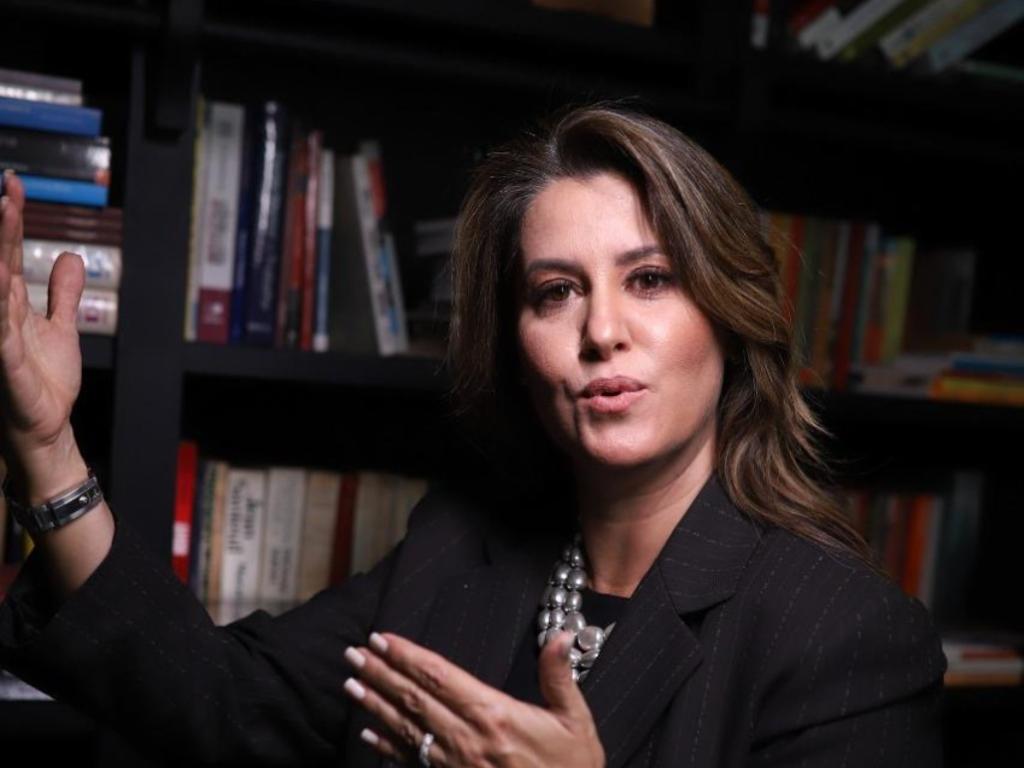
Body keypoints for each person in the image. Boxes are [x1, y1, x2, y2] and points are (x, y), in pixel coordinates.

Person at [0, 104, 947, 767]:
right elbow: (222, 702)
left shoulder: (847, 635)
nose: (602, 330)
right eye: (556, 291)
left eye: (651, 279)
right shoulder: (455, 548)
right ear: (517, 345)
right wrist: (46, 448)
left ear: (731, 316)